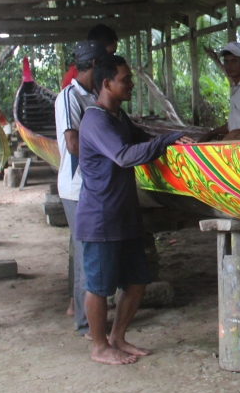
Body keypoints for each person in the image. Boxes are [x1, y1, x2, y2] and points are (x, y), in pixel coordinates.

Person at [76, 54, 194, 365]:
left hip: (124, 214)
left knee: (138, 279)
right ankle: (99, 346)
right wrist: (166, 140)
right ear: (107, 84)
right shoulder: (95, 120)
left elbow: (145, 140)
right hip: (101, 218)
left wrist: (186, 142)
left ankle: (117, 337)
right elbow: (124, 155)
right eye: (125, 79)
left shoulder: (118, 117)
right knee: (99, 287)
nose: (131, 84)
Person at [55, 40, 105, 336]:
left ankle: (87, 314)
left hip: (92, 185)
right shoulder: (69, 97)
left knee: (87, 252)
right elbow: (73, 144)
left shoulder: (93, 95)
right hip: (76, 188)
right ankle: (86, 325)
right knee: (86, 254)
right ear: (95, 66)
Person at [203, 42, 240, 142]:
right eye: (226, 61)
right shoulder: (236, 87)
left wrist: (231, 141)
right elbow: (233, 125)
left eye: (233, 61)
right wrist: (211, 133)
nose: (229, 66)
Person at [62, 25, 118, 89]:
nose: (112, 59)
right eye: (110, 54)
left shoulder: (100, 74)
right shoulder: (72, 80)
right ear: (97, 50)